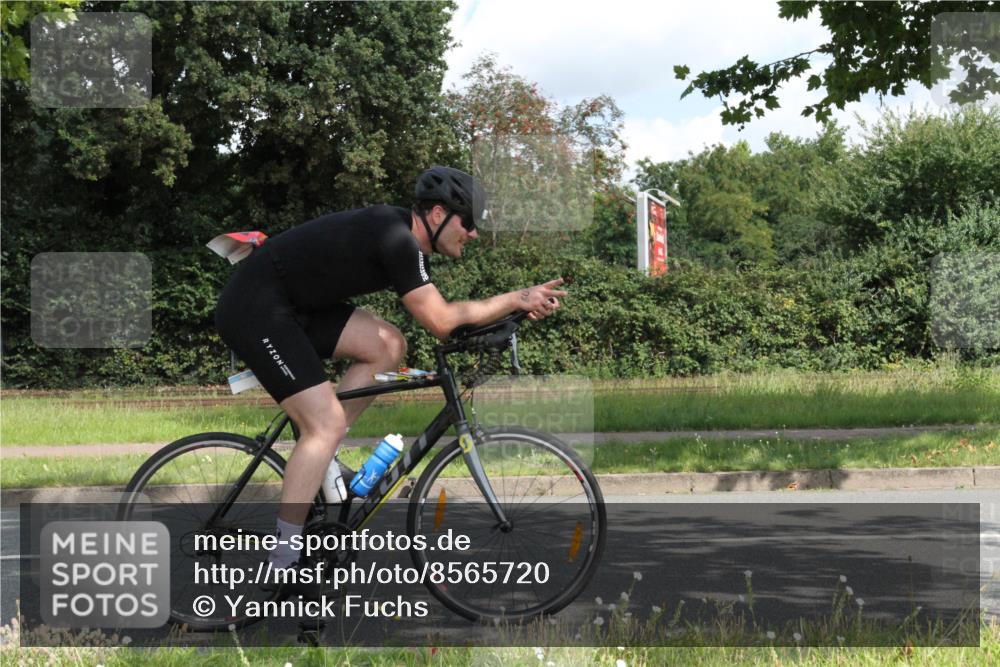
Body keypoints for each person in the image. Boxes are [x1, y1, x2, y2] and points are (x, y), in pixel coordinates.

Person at [214, 166, 567, 575]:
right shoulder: (397, 238)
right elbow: (441, 321)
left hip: (295, 307)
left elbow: (450, 322)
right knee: (323, 425)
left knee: (389, 345)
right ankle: (285, 559)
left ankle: (322, 458)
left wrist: (515, 313)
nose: (472, 234)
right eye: (467, 222)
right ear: (438, 215)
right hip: (256, 308)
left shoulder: (404, 240)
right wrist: (517, 297)